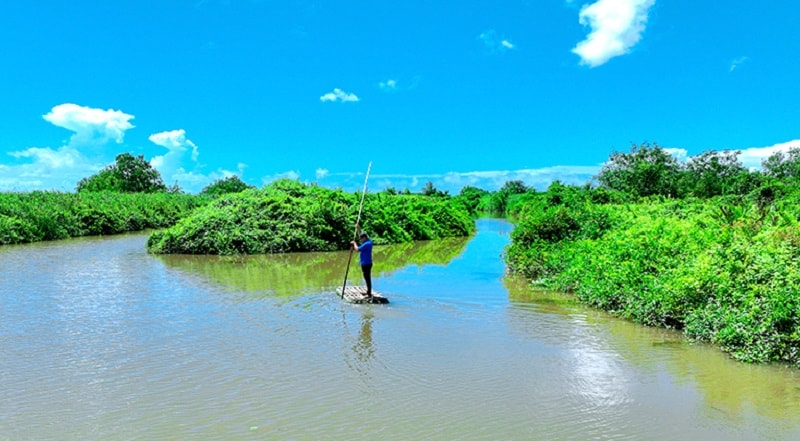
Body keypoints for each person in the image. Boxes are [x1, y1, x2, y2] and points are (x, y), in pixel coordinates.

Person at [351, 226, 373, 298]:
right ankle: (368, 291)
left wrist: (354, 243)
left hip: (366, 264)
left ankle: (369, 293)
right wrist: (358, 228)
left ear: (364, 238)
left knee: (367, 278)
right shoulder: (368, 241)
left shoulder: (367, 244)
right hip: (366, 263)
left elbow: (357, 249)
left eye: (361, 239)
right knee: (366, 277)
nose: (360, 240)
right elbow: (361, 234)